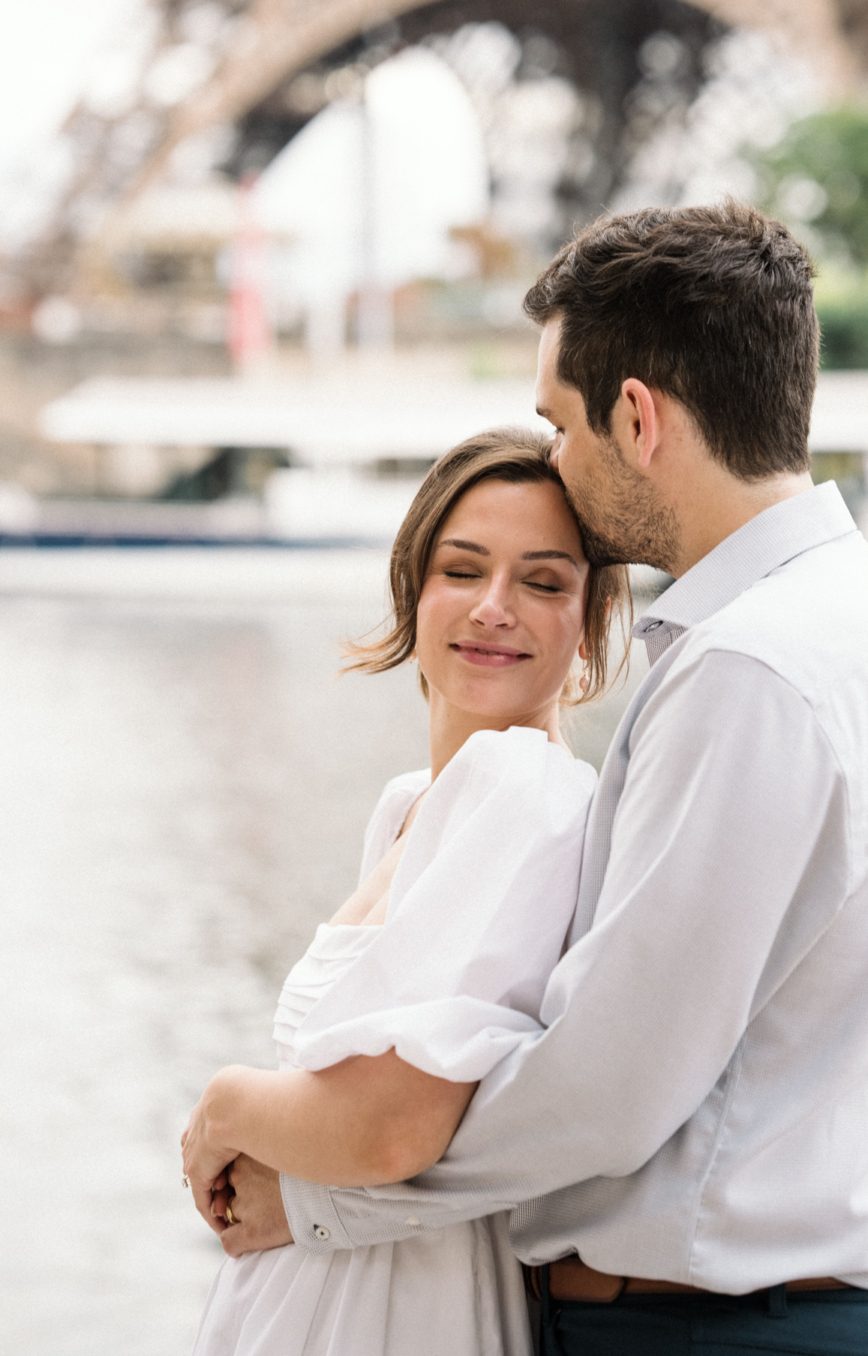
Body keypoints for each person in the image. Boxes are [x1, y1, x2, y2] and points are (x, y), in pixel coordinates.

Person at [202, 202, 868, 1356]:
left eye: (559, 422)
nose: (558, 455)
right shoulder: (862, 628)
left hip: (722, 1334)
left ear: (637, 416)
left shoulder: (752, 669)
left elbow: (605, 1088)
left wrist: (317, 1193)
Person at [182, 429, 631, 1355]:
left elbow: (390, 1130)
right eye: (462, 570)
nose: (494, 608)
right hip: (321, 1294)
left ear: (587, 625)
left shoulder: (526, 790)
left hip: (396, 1312)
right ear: (412, 588)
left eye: (543, 583)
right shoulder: (411, 808)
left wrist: (227, 1102)